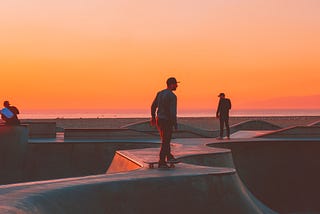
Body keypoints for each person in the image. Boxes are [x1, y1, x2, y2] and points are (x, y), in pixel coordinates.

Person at [151, 77, 179, 168]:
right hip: (167, 120)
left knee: (165, 139)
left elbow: (153, 106)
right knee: (166, 141)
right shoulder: (172, 96)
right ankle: (162, 161)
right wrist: (175, 123)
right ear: (171, 84)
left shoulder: (159, 93)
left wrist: (153, 117)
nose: (177, 86)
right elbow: (172, 111)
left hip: (159, 120)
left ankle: (169, 156)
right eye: (175, 84)